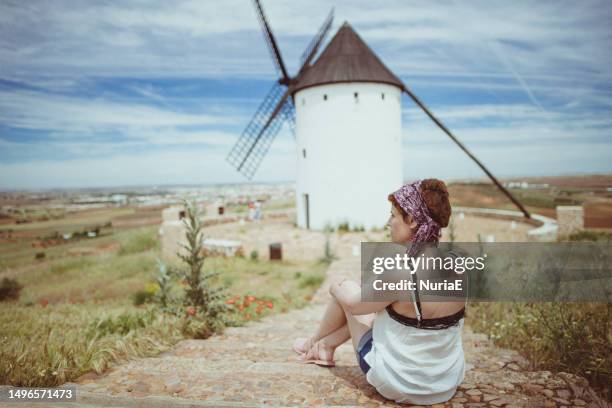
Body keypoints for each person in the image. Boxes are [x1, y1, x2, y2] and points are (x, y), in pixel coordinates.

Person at [292, 179, 466, 405]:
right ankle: (323, 347)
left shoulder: (401, 272)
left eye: (393, 215)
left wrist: (335, 285)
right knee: (380, 307)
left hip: (399, 383)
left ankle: (313, 343)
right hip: (444, 384)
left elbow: (353, 306)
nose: (388, 222)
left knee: (348, 292)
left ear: (412, 220)